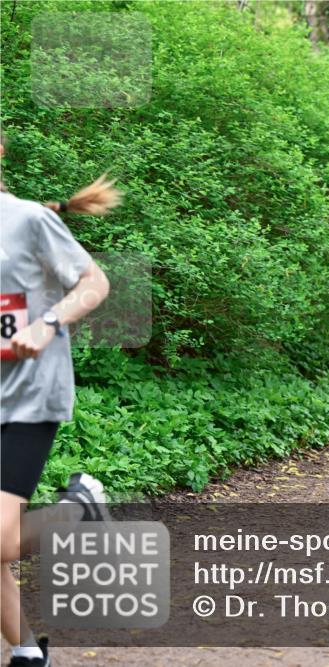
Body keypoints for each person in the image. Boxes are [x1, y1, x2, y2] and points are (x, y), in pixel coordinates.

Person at [1, 135, 118, 667]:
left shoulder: (27, 220)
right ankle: (28, 653)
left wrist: (47, 323)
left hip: (28, 395)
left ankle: (78, 510)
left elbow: (95, 282)